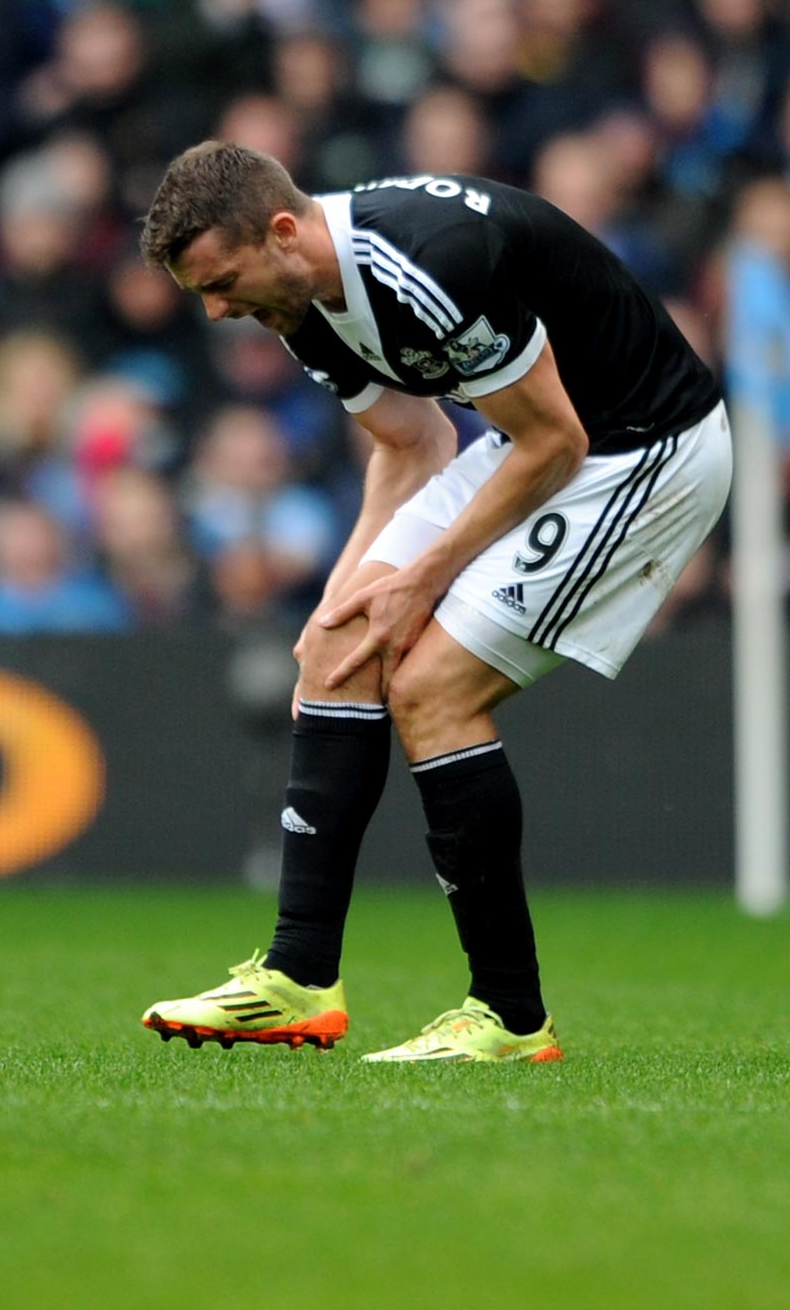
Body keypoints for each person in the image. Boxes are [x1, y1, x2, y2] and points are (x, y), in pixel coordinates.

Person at [136, 142, 730, 1063]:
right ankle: (296, 981)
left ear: (283, 231)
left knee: (434, 692)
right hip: (536, 439)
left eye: (222, 281)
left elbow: (553, 440)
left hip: (642, 448)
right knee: (340, 647)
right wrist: (344, 595)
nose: (217, 310)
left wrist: (422, 575)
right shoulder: (297, 299)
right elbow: (412, 444)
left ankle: (509, 1016)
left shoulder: (424, 260)